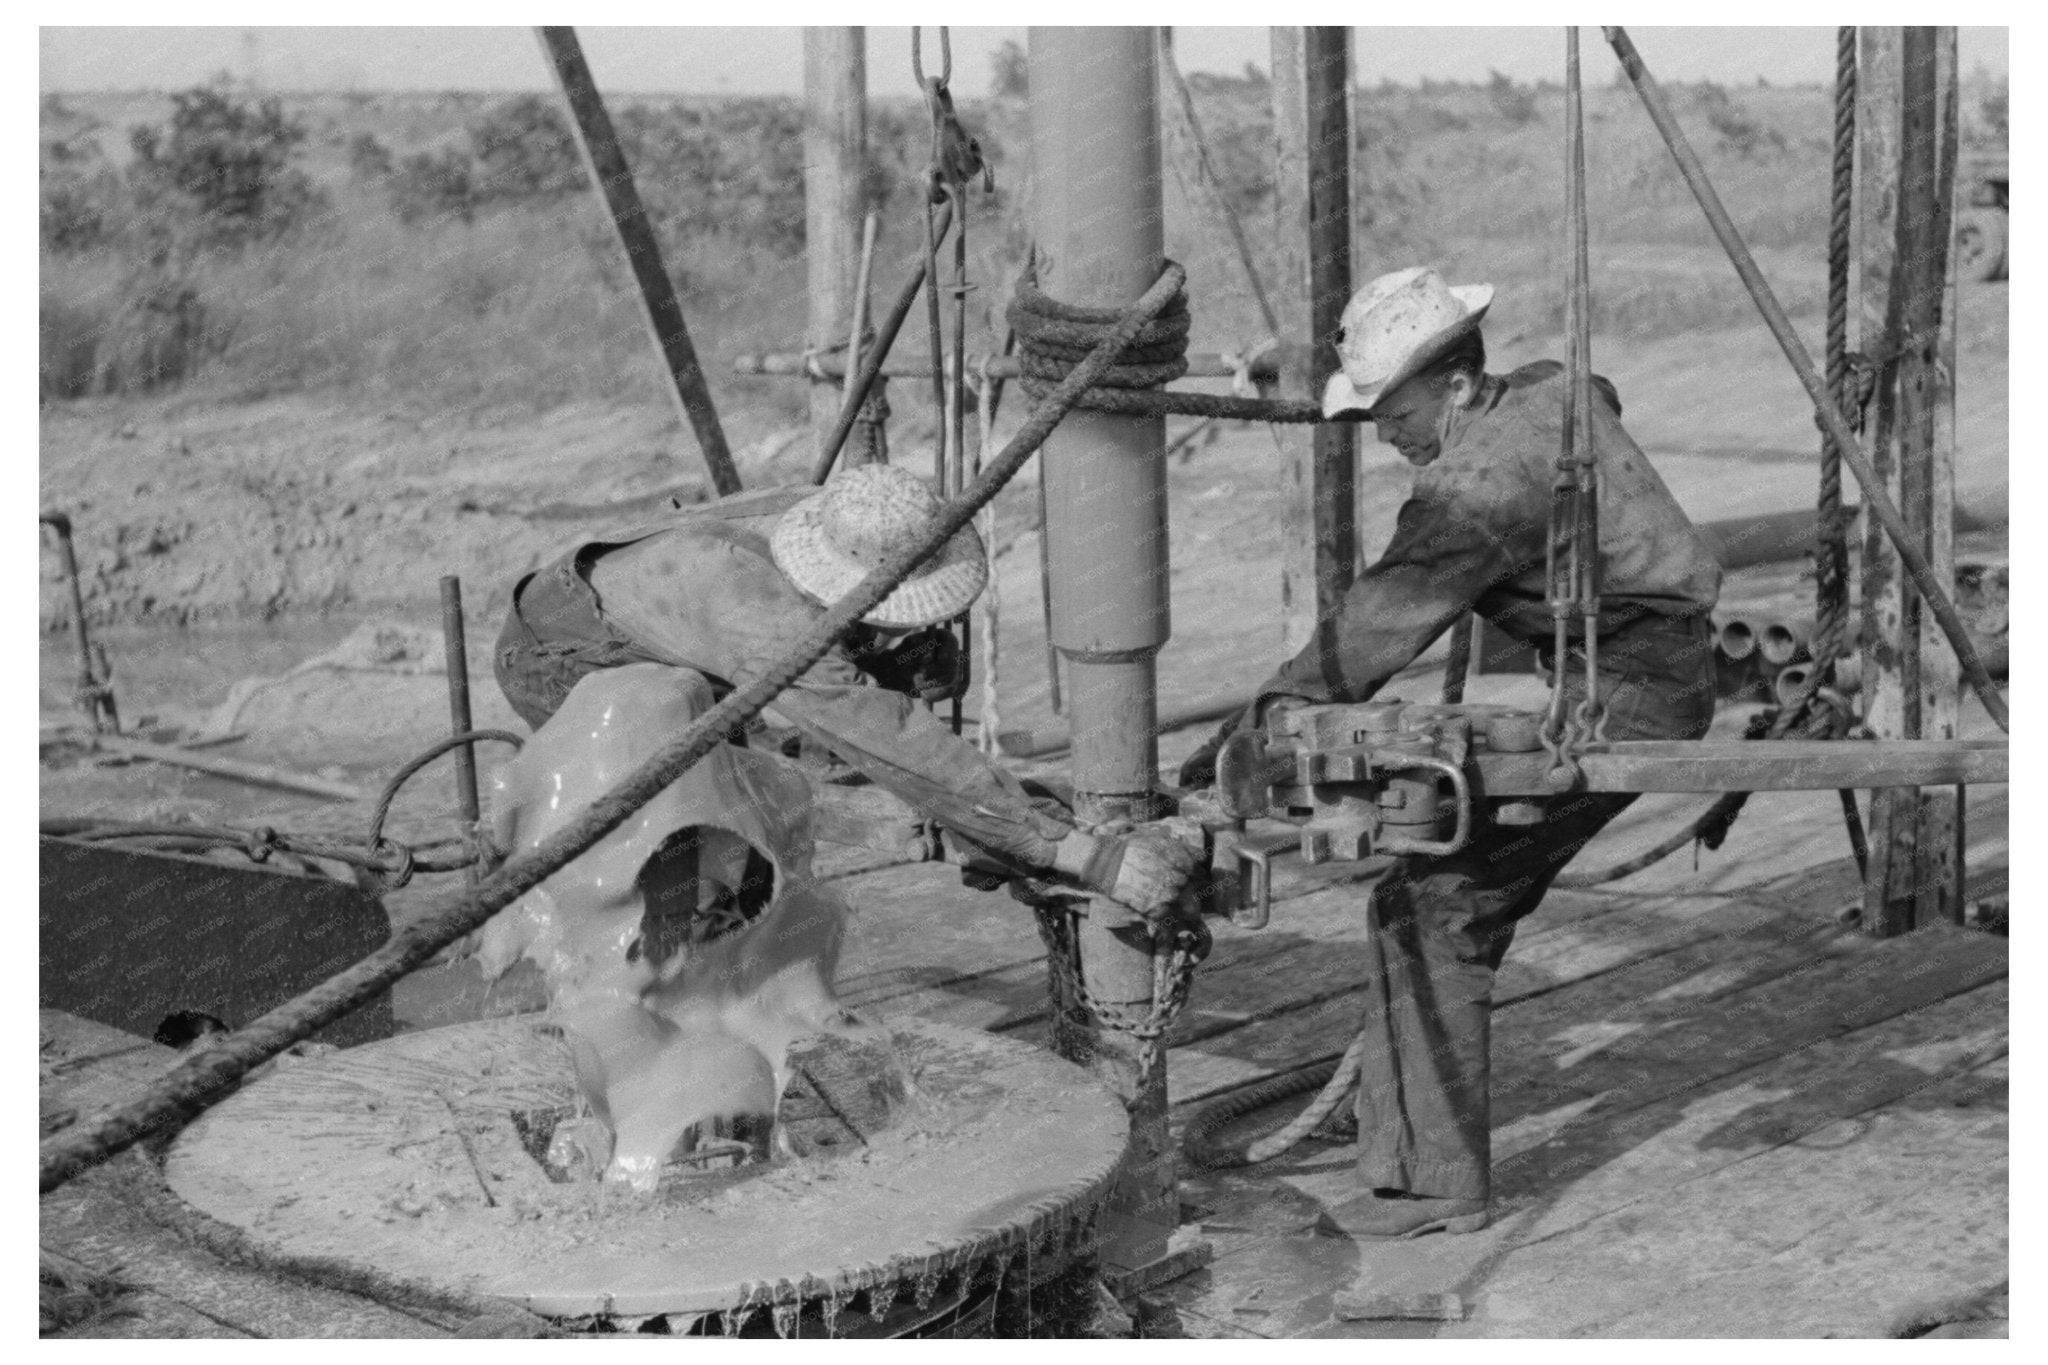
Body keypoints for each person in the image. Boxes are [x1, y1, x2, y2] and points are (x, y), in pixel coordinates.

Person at [1180, 266, 1723, 1238]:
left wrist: (1249, 733)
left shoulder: (1473, 488)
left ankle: (1438, 1184)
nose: (1387, 440)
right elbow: (1589, 388)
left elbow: (1376, 629)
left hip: (1632, 699)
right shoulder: (1546, 395)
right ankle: (1399, 1105)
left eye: (1396, 415)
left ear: (1463, 387)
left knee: (1437, 903)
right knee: (1422, 887)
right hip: (1644, 672)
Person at [493, 460, 1195, 925]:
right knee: (711, 860)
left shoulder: (840, 514)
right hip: (563, 656)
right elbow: (875, 728)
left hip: (666, 621)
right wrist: (1074, 852)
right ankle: (673, 1018)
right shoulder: (755, 611)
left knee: (872, 704)